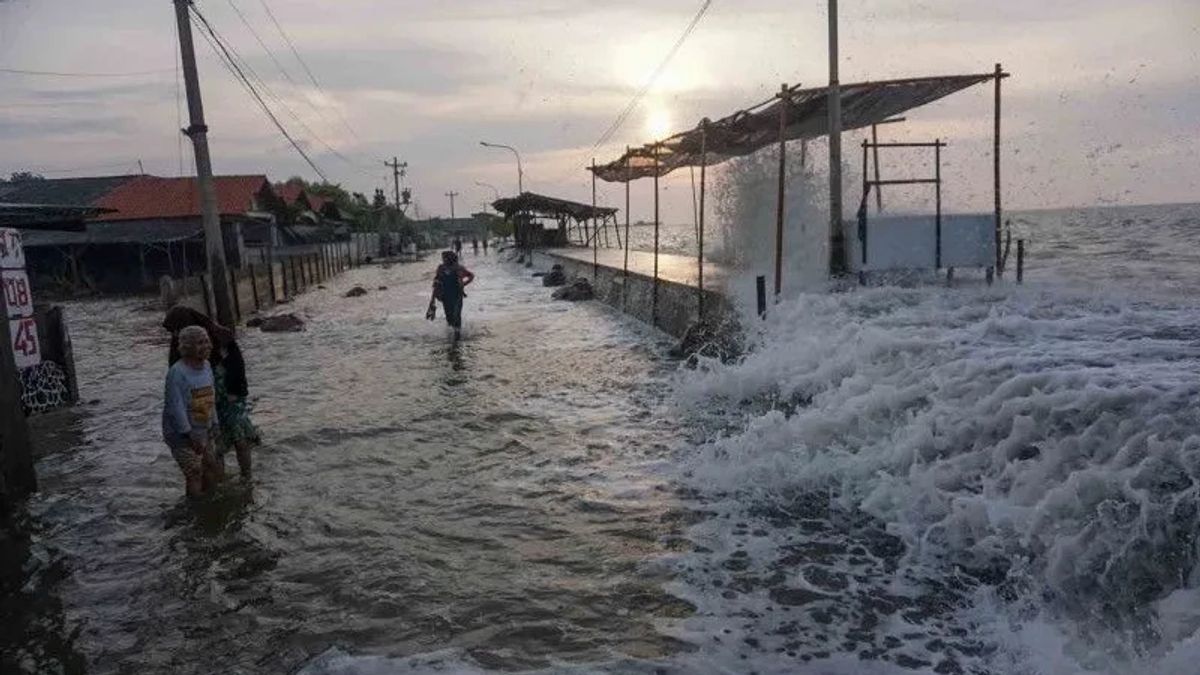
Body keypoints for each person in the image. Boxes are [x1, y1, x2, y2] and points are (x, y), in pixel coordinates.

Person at [163, 306, 259, 480]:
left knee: (240, 437)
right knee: (216, 444)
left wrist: (236, 391)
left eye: (177, 329)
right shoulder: (180, 344)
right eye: (173, 331)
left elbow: (237, 364)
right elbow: (176, 389)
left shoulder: (218, 335)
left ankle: (247, 477)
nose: (175, 334)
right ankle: (220, 481)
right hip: (205, 401)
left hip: (230, 394)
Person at [162, 326, 222, 498]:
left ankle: (211, 505)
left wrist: (215, 423)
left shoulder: (207, 366)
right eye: (200, 342)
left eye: (207, 341)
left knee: (211, 467)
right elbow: (176, 407)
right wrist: (189, 434)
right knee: (194, 471)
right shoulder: (177, 372)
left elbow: (211, 398)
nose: (206, 346)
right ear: (187, 347)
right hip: (180, 434)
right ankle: (195, 510)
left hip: (204, 428)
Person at [428, 250, 475, 337]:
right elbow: (436, 283)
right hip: (445, 296)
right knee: (449, 316)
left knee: (456, 315)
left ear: (450, 258)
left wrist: (464, 284)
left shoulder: (458, 268)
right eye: (442, 258)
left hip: (457, 295)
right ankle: (452, 336)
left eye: (444, 258)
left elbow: (471, 275)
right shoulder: (441, 268)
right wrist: (432, 300)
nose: (443, 260)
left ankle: (457, 335)